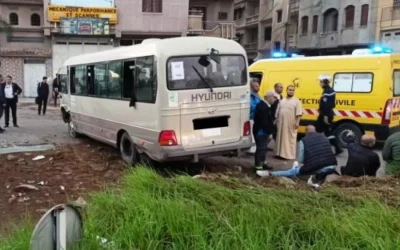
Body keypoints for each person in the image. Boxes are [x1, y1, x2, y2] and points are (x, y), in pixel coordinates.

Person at [257, 125, 337, 178]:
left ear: (306, 132)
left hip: (319, 168)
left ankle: (269, 174)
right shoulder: (324, 137)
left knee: (292, 172)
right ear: (315, 131)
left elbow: (301, 160)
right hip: (332, 165)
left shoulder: (303, 140)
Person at [275, 85, 303, 160]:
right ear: (286, 90)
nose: (291, 91)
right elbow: (278, 111)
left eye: (292, 90)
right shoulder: (282, 100)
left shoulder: (296, 101)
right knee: (280, 138)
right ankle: (279, 153)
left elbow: (299, 113)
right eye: (289, 90)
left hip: (291, 123)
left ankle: (288, 155)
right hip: (281, 123)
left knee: (289, 139)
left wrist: (297, 123)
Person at [316, 78, 343, 155]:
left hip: (325, 114)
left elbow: (326, 105)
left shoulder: (327, 91)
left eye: (320, 82)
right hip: (328, 113)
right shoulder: (330, 90)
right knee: (328, 132)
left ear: (324, 83)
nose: (320, 84)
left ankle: (316, 149)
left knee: (316, 131)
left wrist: (325, 116)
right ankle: (337, 148)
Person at [253, 91, 275, 171]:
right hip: (261, 132)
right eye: (274, 97)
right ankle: (258, 166)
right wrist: (269, 132)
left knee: (263, 149)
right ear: (269, 97)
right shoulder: (263, 107)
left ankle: (263, 163)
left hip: (261, 131)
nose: (274, 99)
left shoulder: (264, 105)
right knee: (261, 149)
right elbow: (264, 122)